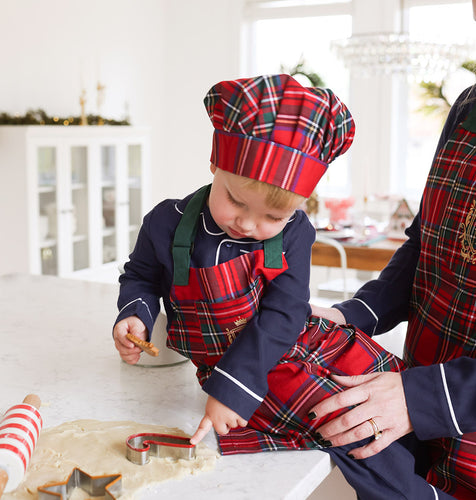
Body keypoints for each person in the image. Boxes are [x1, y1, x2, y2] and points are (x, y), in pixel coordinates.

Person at [112, 74, 452, 498]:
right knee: (347, 428)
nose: (250, 225)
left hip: (285, 349)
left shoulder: (296, 233)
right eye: (236, 201)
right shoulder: (166, 222)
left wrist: (232, 391)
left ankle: (428, 479)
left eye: (274, 218)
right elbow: (141, 276)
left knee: (371, 401)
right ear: (216, 162)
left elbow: (285, 312)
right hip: (253, 370)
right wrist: (135, 314)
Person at [309, 4, 476, 498]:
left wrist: (422, 397)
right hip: (417, 422)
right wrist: (351, 315)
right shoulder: (467, 107)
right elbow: (427, 244)